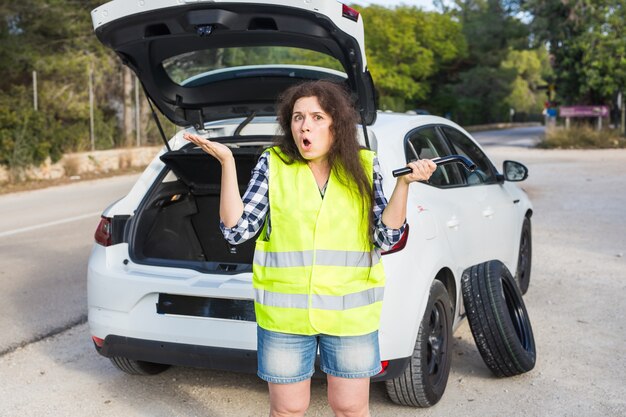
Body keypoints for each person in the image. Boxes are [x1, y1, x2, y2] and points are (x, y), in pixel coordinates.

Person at [184, 80, 436, 417]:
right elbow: (236, 231)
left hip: (350, 316)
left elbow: (386, 237)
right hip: (285, 317)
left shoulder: (363, 164)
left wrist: (404, 184)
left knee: (349, 408)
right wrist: (228, 163)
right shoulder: (272, 164)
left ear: (336, 123)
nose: (305, 125)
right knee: (288, 409)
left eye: (317, 117)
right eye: (298, 117)